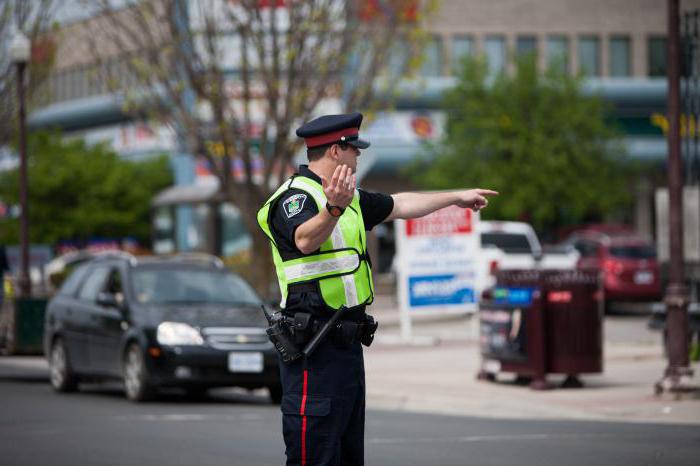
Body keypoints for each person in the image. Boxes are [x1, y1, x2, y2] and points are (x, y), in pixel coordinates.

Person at [257, 112, 497, 466]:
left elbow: (399, 203)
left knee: (348, 455)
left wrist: (455, 197)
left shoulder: (350, 198)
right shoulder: (295, 198)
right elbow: (305, 239)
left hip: (348, 349)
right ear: (336, 152)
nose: (358, 156)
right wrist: (333, 208)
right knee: (315, 456)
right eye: (354, 149)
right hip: (313, 349)